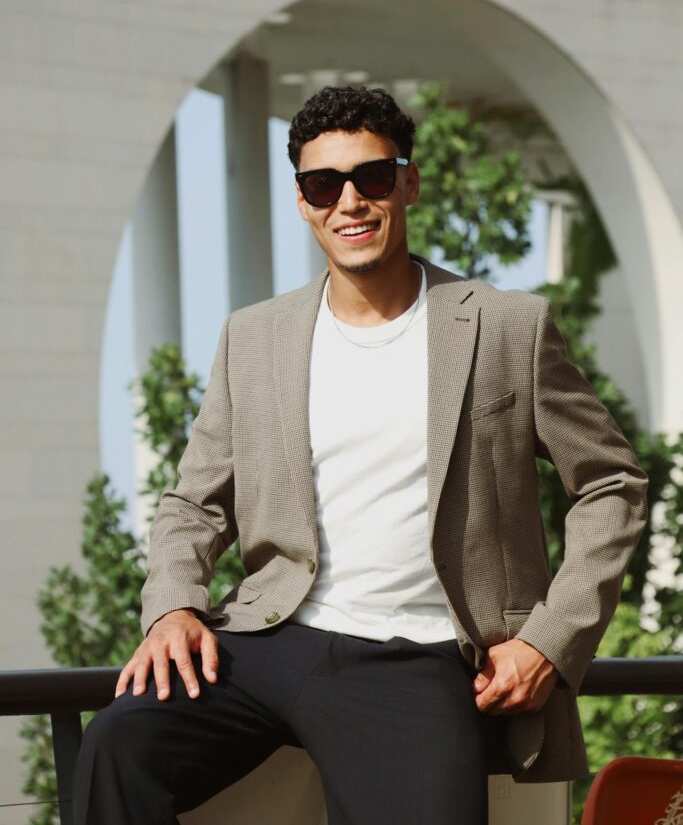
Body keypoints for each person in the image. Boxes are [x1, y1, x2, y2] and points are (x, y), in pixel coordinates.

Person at [73, 85, 649, 825]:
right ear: (302, 201)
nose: (349, 202)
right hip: (269, 638)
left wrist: (550, 639)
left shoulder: (508, 327)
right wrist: (173, 607)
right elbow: (193, 502)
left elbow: (612, 483)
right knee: (116, 744)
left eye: (371, 178)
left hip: (418, 655)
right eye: (323, 185)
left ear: (407, 183)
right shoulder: (253, 337)